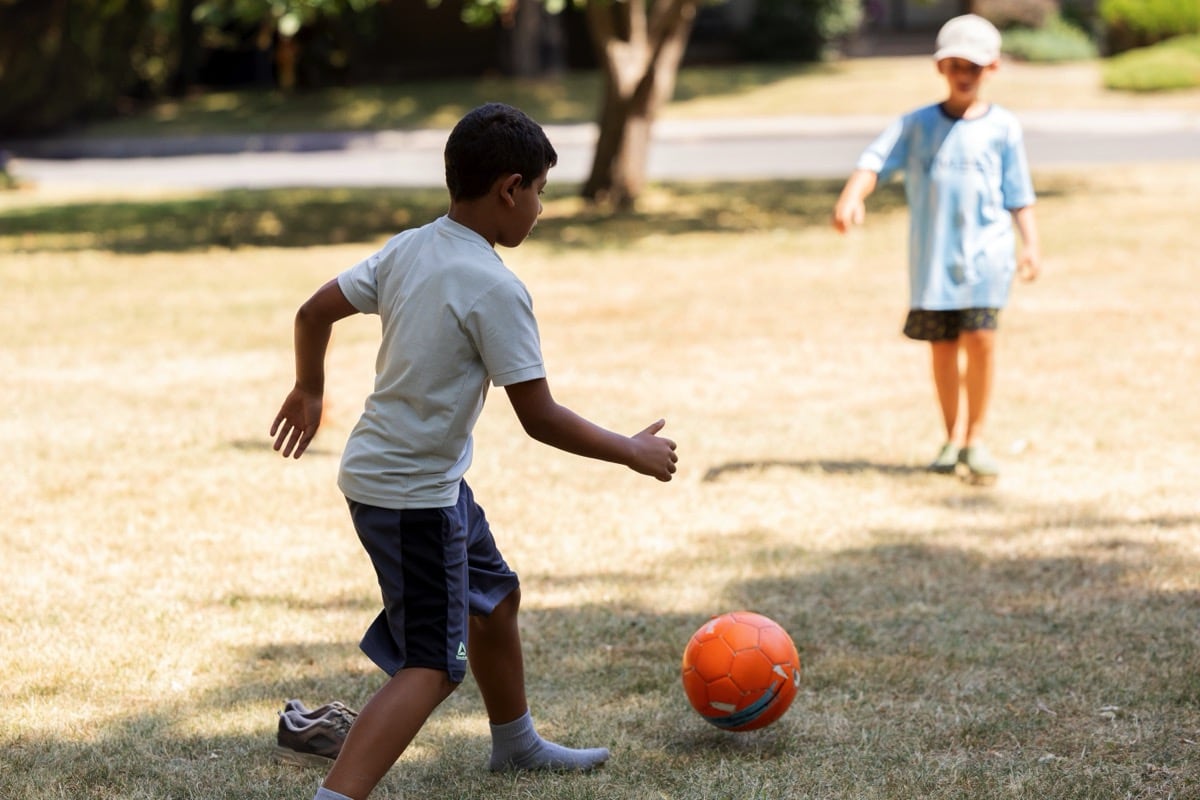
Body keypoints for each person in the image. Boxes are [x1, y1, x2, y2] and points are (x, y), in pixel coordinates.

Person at [269, 102, 679, 800]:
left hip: (409, 477)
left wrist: (309, 388)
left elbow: (313, 312)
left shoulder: (412, 246)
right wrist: (629, 450)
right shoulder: (495, 288)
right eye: (542, 193)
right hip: (413, 496)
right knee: (430, 665)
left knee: (493, 598)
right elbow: (539, 416)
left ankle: (515, 744)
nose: (541, 210)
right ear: (509, 189)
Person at [832, 13, 1041, 482]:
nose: (964, 74)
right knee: (943, 349)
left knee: (982, 342)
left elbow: (1018, 193)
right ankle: (951, 436)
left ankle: (976, 438)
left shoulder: (1003, 127)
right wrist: (851, 197)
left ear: (992, 70)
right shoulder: (917, 124)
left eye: (974, 66)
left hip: (988, 258)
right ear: (940, 68)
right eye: (955, 65)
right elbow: (874, 162)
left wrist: (1031, 244)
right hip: (933, 263)